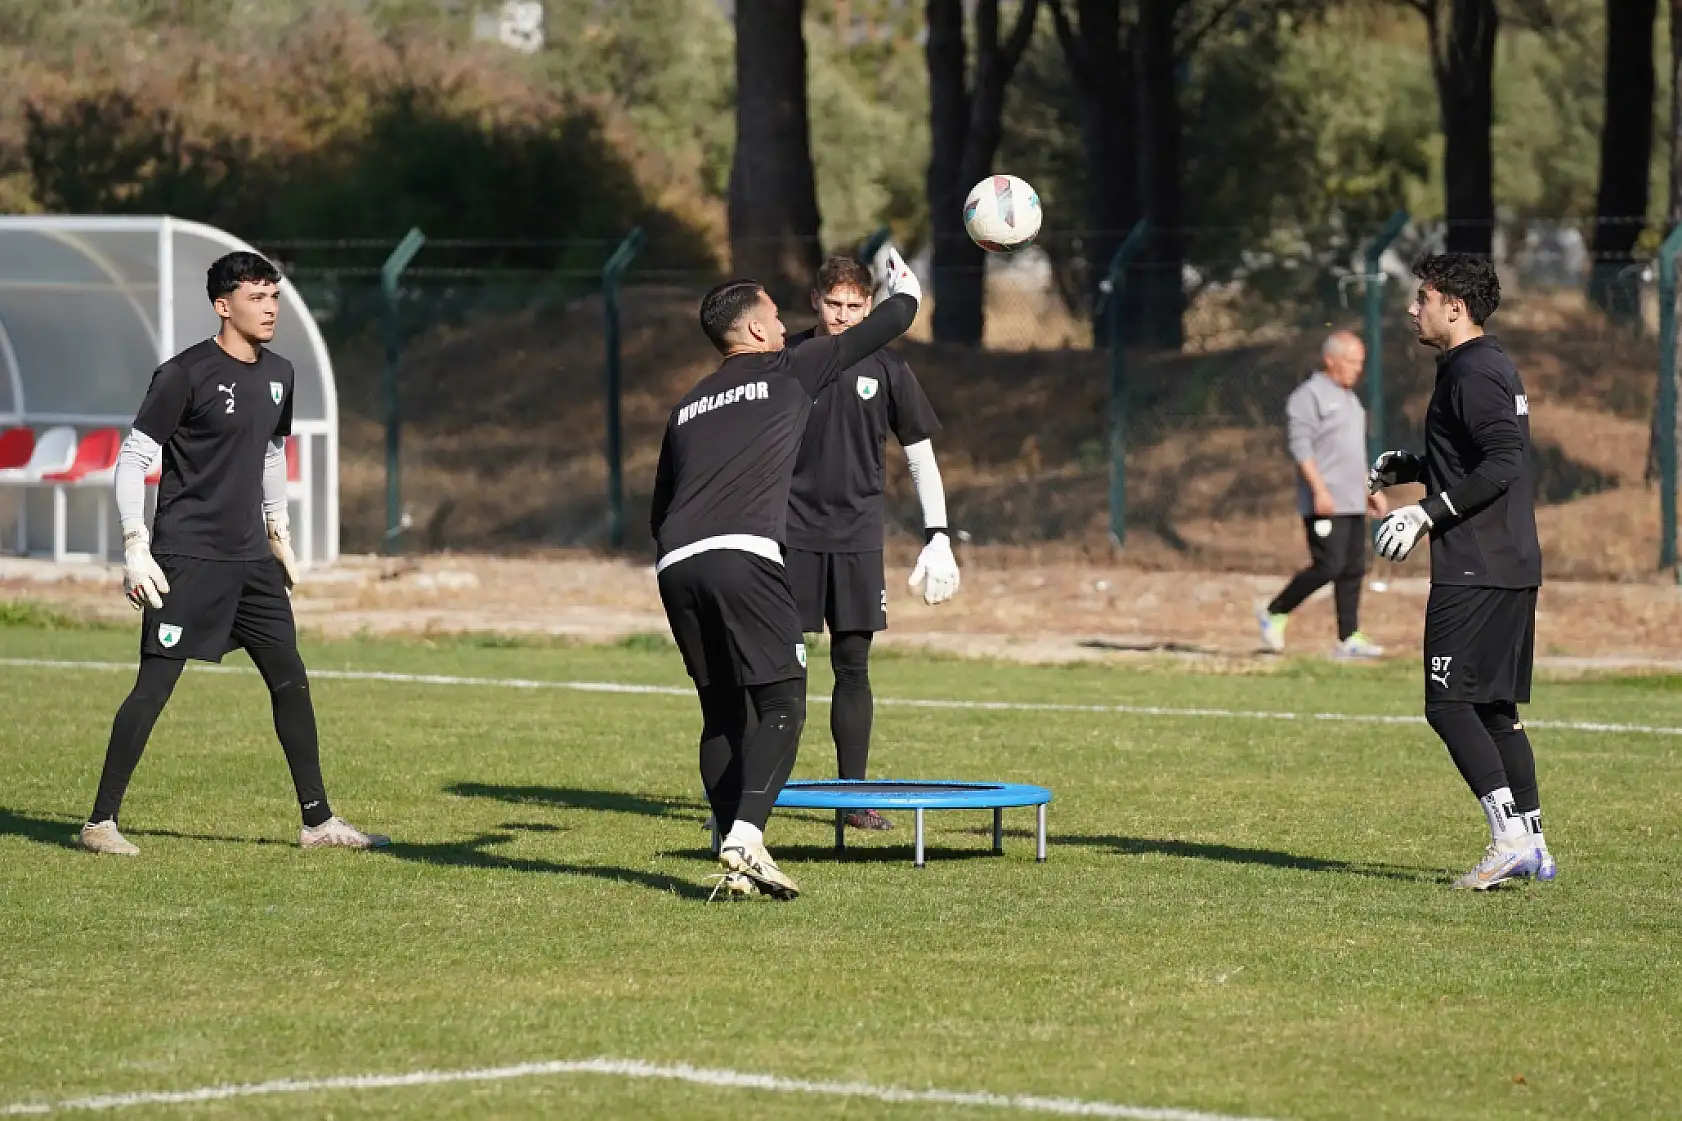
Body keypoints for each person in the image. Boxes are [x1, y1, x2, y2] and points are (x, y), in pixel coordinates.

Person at [78, 252, 387, 856]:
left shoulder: (282, 373)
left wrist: (279, 532)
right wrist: (136, 547)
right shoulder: (184, 374)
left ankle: (318, 822)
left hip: (251, 562)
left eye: (274, 295)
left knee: (290, 679)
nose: (270, 307)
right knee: (154, 688)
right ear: (224, 305)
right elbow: (135, 457)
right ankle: (100, 823)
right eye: (256, 296)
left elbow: (272, 454)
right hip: (186, 559)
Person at [651, 248, 922, 900]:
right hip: (743, 553)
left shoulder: (687, 404)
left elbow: (660, 506)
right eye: (772, 316)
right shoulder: (789, 369)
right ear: (751, 332)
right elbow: (882, 328)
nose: (781, 325)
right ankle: (747, 836)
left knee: (721, 711)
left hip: (674, 562)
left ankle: (729, 839)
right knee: (781, 703)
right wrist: (906, 291)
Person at [1369, 252, 1553, 890]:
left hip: (1476, 566)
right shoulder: (1483, 364)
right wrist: (1420, 465)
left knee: (1447, 705)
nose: (1411, 308)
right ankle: (1534, 843)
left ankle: (1507, 840)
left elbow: (1505, 460)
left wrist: (1427, 512)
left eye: (1422, 297)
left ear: (1456, 306)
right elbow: (1476, 456)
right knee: (1494, 710)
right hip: (1508, 560)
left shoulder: (1472, 372)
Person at [784, 254, 958, 831]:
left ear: (869, 306)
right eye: (834, 305)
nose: (843, 316)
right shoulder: (791, 361)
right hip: (790, 533)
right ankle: (752, 795)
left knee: (852, 665)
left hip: (857, 537)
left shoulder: (886, 368)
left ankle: (853, 797)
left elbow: (919, 454)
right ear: (815, 301)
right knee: (779, 667)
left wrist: (938, 535)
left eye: (855, 307)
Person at [1257, 331, 1387, 659]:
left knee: (1353, 568)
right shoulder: (1308, 397)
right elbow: (1301, 449)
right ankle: (1274, 611)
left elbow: (1352, 451)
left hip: (1353, 501)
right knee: (1328, 565)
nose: (1357, 369)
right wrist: (1319, 490)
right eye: (1351, 361)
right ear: (1330, 360)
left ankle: (1348, 637)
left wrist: (1368, 489)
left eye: (1361, 363)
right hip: (1326, 501)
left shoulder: (1350, 400)